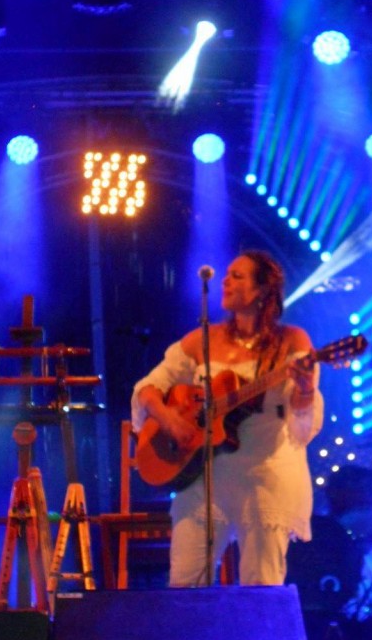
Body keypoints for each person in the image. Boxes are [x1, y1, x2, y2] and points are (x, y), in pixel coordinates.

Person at [131, 249, 324, 587]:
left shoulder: (292, 342)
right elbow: (147, 388)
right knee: (185, 583)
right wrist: (169, 419)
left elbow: (301, 417)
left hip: (266, 474)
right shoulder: (202, 340)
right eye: (226, 275)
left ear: (262, 290)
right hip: (205, 474)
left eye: (237, 276)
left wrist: (306, 388)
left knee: (261, 583)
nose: (225, 281)